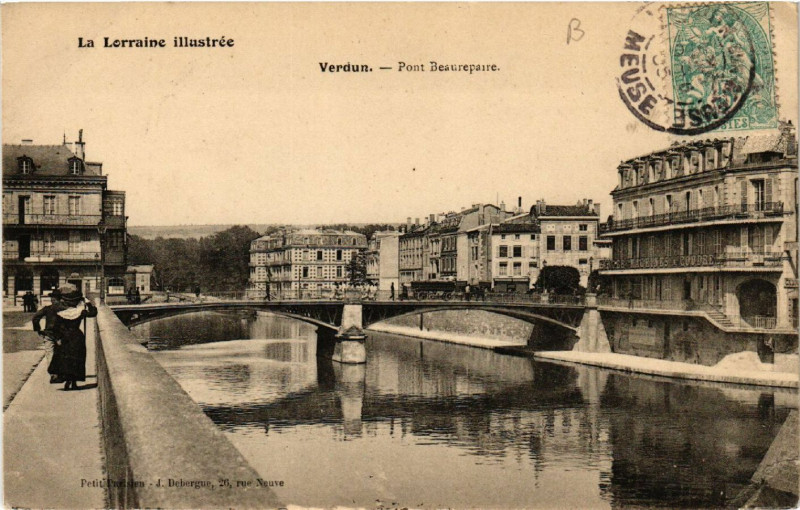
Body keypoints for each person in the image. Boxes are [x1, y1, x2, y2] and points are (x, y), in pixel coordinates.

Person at [47, 284, 98, 391]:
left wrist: (57, 339)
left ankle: (67, 380)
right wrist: (88, 303)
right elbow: (93, 313)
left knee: (65, 360)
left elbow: (55, 327)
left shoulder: (61, 312)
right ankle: (74, 381)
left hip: (64, 337)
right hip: (77, 337)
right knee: (77, 359)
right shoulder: (80, 312)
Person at [32, 290, 65, 384]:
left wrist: (38, 329)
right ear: (60, 298)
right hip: (60, 335)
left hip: (49, 334)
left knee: (50, 353)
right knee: (61, 354)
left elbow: (35, 317)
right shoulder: (64, 308)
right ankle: (61, 373)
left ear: (53, 299)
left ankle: (54, 375)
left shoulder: (47, 308)